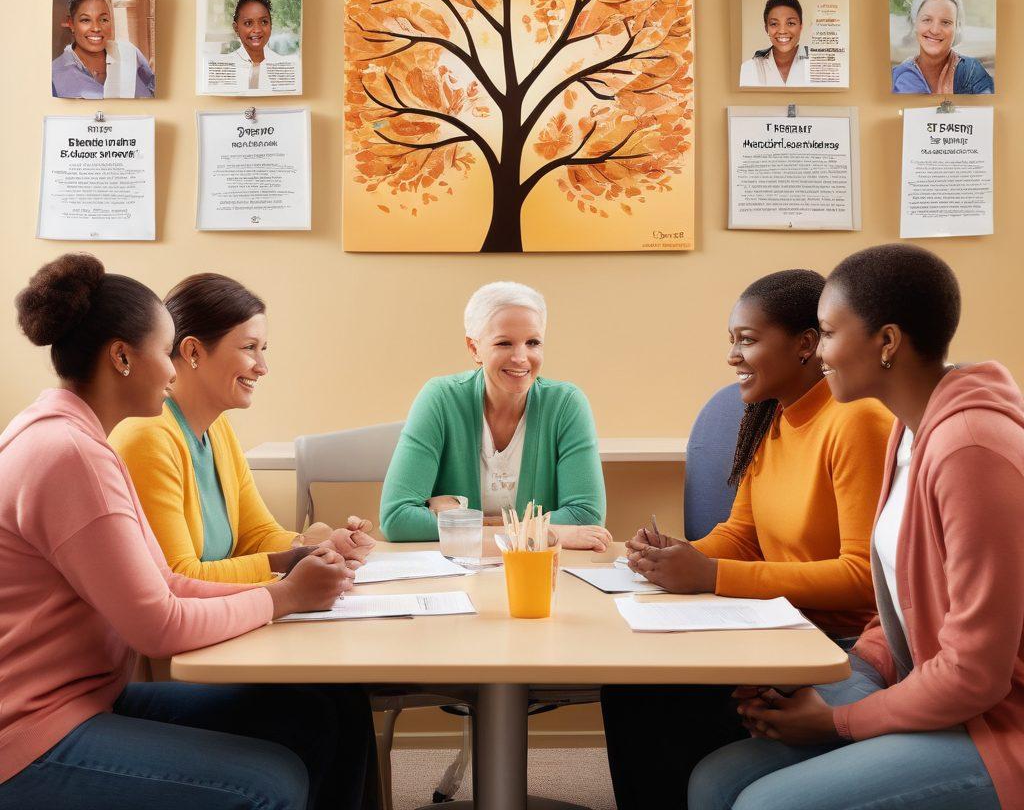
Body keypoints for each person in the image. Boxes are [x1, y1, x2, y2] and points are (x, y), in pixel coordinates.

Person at [0, 254, 376, 809]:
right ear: (122, 357)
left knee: (313, 713)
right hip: (33, 730)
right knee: (267, 787)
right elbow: (158, 626)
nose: (175, 370)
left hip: (86, 700)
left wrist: (290, 586)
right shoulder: (70, 454)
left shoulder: (81, 440)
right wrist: (282, 597)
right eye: (166, 350)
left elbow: (165, 584)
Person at [689, 244, 1022, 810]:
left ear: (886, 342)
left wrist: (842, 718)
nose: (818, 353)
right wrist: (855, 672)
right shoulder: (911, 434)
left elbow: (976, 674)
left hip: (996, 723)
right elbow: (899, 603)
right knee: (714, 782)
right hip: (921, 684)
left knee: (764, 806)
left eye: (827, 333)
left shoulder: (970, 449)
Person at [602, 270, 893, 810]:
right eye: (731, 341)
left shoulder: (857, 422)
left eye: (747, 340)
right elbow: (742, 534)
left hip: (842, 647)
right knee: (635, 687)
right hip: (777, 627)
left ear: (806, 344)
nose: (733, 356)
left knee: (671, 711)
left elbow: (863, 578)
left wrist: (712, 576)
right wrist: (672, 556)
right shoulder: (770, 419)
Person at [111, 272, 375, 583]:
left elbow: (257, 535)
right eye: (249, 347)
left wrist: (319, 547)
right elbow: (179, 576)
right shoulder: (147, 437)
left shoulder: (217, 427)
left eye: (263, 349)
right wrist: (294, 560)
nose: (262, 367)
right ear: (193, 351)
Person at [379, 281, 611, 551]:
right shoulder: (440, 398)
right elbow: (396, 520)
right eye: (504, 343)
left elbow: (586, 518)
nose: (521, 357)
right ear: (474, 348)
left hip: (538, 574)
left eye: (533, 342)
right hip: (455, 575)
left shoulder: (567, 404)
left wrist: (458, 519)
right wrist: (542, 531)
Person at [51, 0, 156, 99]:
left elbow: (155, 92)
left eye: (103, 20)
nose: (96, 28)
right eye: (85, 20)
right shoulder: (55, 74)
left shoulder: (129, 52)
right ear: (71, 23)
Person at [891, 0, 994, 95]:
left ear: (957, 28)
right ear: (915, 23)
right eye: (927, 20)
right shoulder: (898, 77)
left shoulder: (971, 71)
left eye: (945, 22)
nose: (935, 30)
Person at [218, 0, 298, 93]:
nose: (257, 30)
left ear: (271, 25)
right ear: (236, 28)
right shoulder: (224, 68)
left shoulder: (284, 67)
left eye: (264, 22)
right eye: (248, 23)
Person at [739, 0, 810, 87]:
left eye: (790, 23)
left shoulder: (817, 64)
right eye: (774, 24)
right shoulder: (751, 68)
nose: (782, 31)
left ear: (800, 27)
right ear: (766, 29)